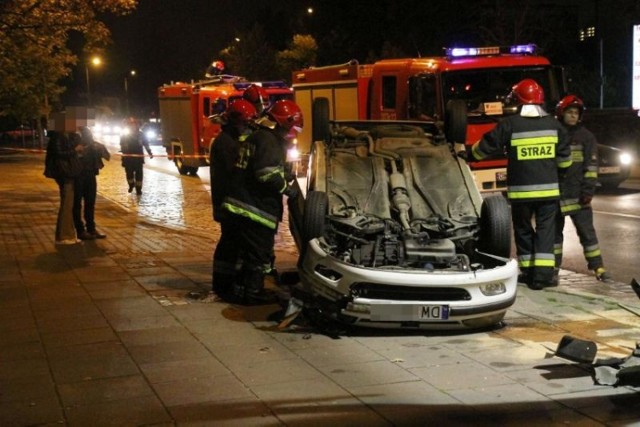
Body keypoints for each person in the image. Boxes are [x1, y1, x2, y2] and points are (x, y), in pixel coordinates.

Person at [470, 79, 572, 290]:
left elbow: (487, 145)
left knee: (523, 230)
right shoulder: (555, 125)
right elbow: (565, 161)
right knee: (546, 231)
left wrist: (470, 154)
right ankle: (543, 277)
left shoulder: (510, 124)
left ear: (518, 100)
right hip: (548, 192)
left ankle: (528, 272)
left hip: (521, 193)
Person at [221, 100, 303, 304]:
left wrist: (284, 172)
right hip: (255, 207)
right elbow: (265, 173)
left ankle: (241, 289)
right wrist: (288, 190)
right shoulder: (269, 140)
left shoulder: (258, 136)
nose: (293, 133)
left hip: (241, 203)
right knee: (259, 253)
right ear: (284, 122)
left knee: (248, 252)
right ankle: (253, 293)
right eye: (293, 127)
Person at [553, 95, 613, 283]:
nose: (573, 115)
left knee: (588, 234)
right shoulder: (554, 134)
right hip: (556, 196)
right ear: (561, 114)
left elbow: (591, 168)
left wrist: (588, 192)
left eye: (576, 113)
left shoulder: (586, 137)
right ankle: (553, 268)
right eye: (569, 112)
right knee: (554, 237)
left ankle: (599, 268)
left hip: (579, 197)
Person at [208, 99, 258, 300]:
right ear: (235, 122)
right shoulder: (225, 144)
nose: (246, 128)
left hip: (228, 202)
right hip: (228, 203)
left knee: (232, 243)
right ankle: (224, 286)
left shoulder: (228, 140)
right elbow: (235, 172)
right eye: (245, 124)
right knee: (230, 244)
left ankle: (227, 283)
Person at [44, 131, 84, 245]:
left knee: (69, 203)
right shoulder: (58, 135)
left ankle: (69, 234)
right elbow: (59, 153)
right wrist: (75, 150)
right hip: (64, 172)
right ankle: (63, 236)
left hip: (67, 172)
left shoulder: (68, 135)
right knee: (67, 203)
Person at [73, 127, 110, 240]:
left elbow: (107, 156)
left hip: (89, 173)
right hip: (77, 174)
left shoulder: (86, 131)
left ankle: (91, 229)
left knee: (90, 202)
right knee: (76, 204)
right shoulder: (71, 133)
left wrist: (99, 148)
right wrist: (76, 150)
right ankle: (80, 230)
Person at [120, 117, 153, 195]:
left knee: (139, 175)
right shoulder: (125, 135)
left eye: (134, 125)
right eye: (131, 125)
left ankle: (138, 189)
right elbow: (122, 144)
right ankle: (131, 185)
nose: (133, 126)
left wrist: (149, 152)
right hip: (128, 159)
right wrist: (124, 149)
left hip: (138, 158)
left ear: (137, 125)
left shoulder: (141, 134)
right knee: (129, 174)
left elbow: (146, 144)